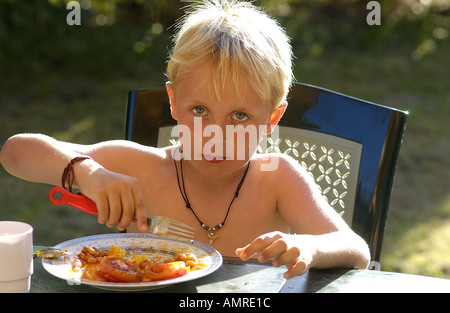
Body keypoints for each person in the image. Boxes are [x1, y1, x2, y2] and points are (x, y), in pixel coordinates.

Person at [0, 0, 370, 278]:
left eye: (239, 116)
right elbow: (14, 152)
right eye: (199, 111)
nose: (217, 136)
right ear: (173, 102)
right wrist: (84, 172)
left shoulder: (276, 178)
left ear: (272, 118)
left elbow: (356, 250)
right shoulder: (140, 166)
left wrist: (309, 245)